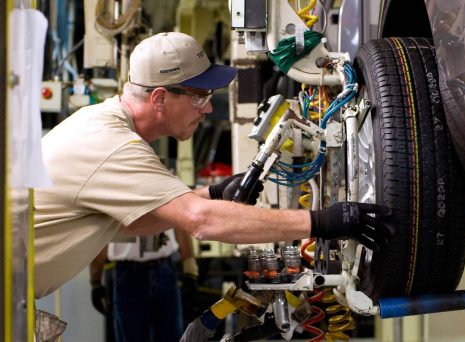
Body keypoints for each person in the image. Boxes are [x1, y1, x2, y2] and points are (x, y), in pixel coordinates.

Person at [34, 32, 393, 307]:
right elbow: (202, 222)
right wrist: (322, 223)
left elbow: (131, 221)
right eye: (199, 98)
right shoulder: (112, 144)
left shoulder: (106, 125)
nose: (206, 110)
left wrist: (214, 193)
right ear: (159, 98)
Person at [89, 228, 197, 342]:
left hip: (164, 270)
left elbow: (180, 224)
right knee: (131, 337)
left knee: (172, 336)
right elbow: (101, 232)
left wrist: (190, 270)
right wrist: (95, 281)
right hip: (128, 275)